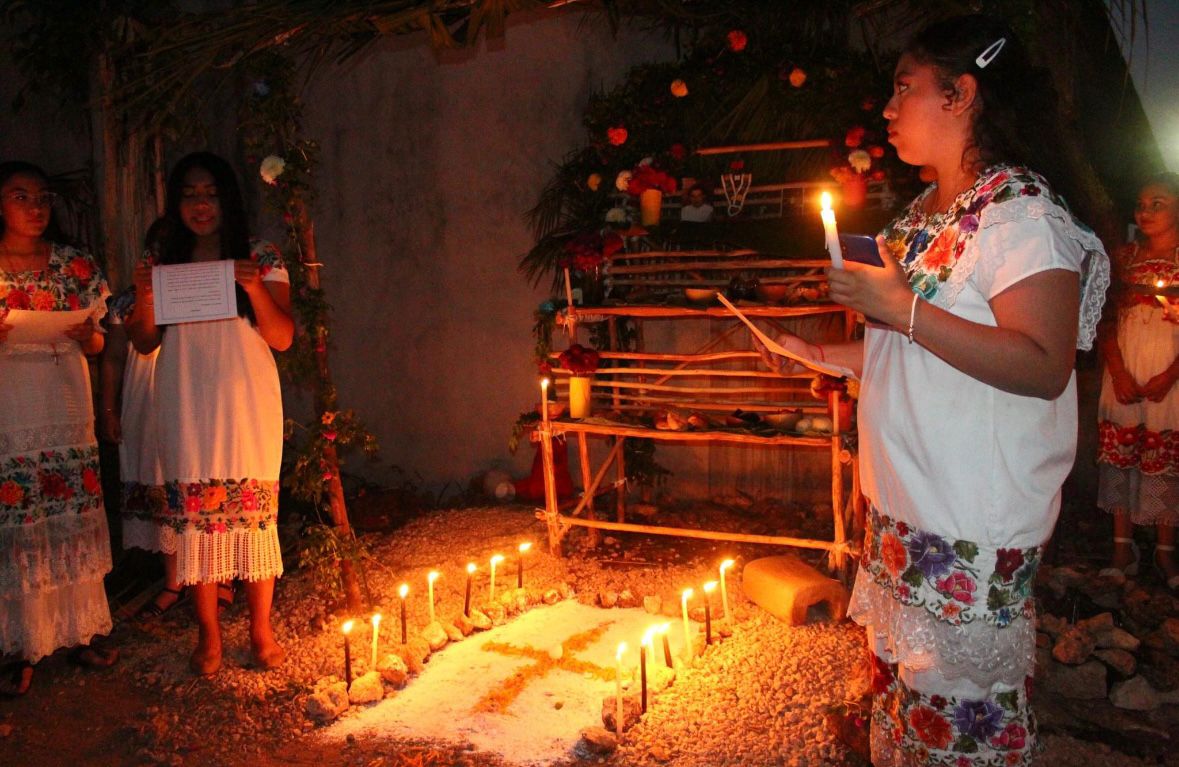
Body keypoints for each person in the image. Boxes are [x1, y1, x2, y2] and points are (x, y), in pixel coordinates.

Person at [756, 17, 1108, 766]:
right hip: (903, 507)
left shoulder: (1021, 215)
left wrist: (900, 308)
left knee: (963, 715)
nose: (886, 108)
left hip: (966, 516)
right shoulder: (920, 218)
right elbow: (909, 348)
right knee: (909, 703)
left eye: (903, 88)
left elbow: (1042, 362)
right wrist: (824, 353)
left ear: (961, 94)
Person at [126, 152, 293, 675]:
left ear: (228, 198)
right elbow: (144, 341)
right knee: (194, 514)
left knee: (253, 512)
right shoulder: (163, 257)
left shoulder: (260, 255)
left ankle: (261, 628)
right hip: (184, 395)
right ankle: (208, 632)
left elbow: (283, 337)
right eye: (190, 194)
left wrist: (252, 286)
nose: (201, 205)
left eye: (211, 193)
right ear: (176, 204)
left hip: (246, 395)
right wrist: (147, 296)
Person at [0, 161, 119, 697]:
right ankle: (20, 643)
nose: (35, 207)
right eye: (20, 196)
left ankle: (77, 629)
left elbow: (99, 342)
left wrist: (85, 337)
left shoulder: (75, 265)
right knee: (18, 507)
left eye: (42, 196)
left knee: (71, 503)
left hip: (66, 392)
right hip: (11, 398)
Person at [1097, 172, 1179, 592]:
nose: (1145, 212)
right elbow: (1106, 317)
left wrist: (1170, 373)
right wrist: (1118, 369)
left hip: (1170, 374)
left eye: (1158, 203)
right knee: (1121, 453)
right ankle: (1122, 546)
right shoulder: (1125, 258)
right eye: (1141, 204)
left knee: (1163, 457)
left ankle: (1166, 550)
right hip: (1126, 371)